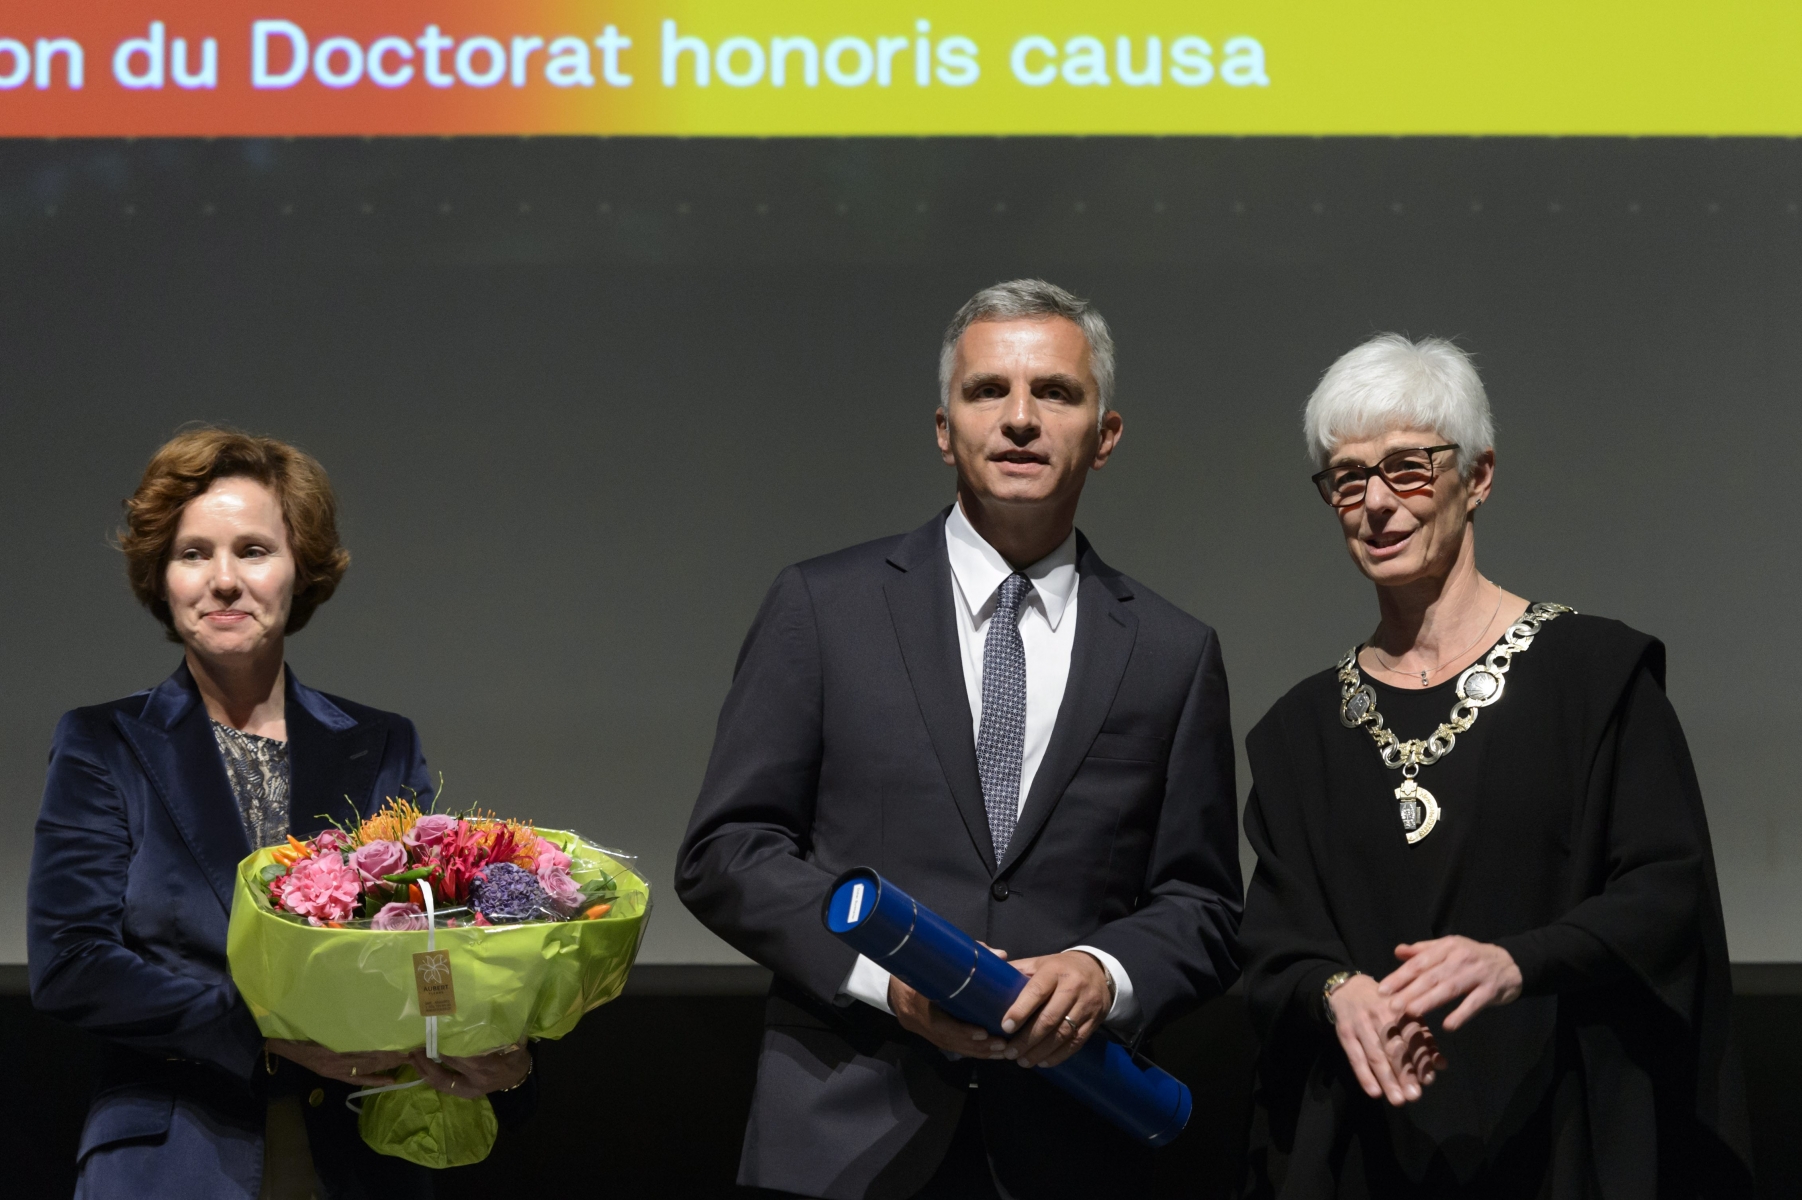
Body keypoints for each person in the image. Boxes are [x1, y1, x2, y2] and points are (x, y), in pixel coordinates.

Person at [676, 279, 1242, 1199]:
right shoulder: (823, 608)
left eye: (1055, 392)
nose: (1020, 419)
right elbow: (726, 851)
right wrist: (890, 982)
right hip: (844, 1144)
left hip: (1072, 1142)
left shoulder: (1175, 652)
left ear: (1106, 435)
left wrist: (1103, 973)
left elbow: (1204, 903)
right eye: (988, 392)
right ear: (945, 428)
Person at [1238, 335, 1753, 1197]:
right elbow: (1273, 945)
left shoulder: (1594, 676)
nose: (1375, 502)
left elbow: (1667, 889)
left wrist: (1518, 961)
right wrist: (1338, 995)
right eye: (1347, 478)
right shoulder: (1298, 732)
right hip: (1371, 1148)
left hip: (1561, 1134)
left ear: (1476, 477)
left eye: (1407, 468)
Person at [28, 429, 532, 1200]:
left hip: (360, 1152)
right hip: (175, 1154)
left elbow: (434, 937)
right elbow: (71, 964)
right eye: (193, 553)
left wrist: (487, 1039)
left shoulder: (380, 742)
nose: (223, 580)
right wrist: (268, 1031)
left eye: (254, 550)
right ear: (161, 578)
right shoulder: (104, 743)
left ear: (302, 570)